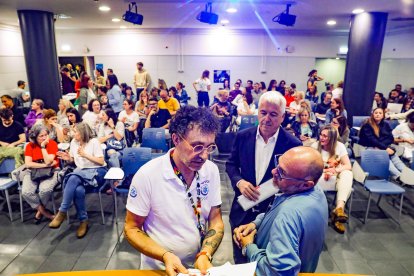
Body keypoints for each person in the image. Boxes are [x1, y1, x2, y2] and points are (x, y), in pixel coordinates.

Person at [124, 106, 223, 275]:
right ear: (176, 139)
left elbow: (215, 219)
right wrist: (165, 255)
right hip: (159, 268)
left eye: (209, 147)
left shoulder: (210, 170)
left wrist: (205, 253)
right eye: (197, 146)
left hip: (197, 268)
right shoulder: (148, 175)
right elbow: (131, 228)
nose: (204, 156)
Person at [226, 92, 302, 264]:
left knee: (266, 263)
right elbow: (230, 165)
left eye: (273, 114)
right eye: (263, 112)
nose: (267, 118)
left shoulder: (293, 144)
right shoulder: (243, 136)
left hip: (272, 214)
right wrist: (240, 182)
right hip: (242, 210)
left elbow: (295, 180)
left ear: (283, 117)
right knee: (240, 262)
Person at [233, 146, 327, 275]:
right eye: (278, 164)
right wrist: (256, 223)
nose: (273, 172)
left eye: (282, 173)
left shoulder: (288, 215)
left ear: (306, 184)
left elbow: (276, 272)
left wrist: (248, 246)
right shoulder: (315, 191)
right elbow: (279, 209)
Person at [49, 122, 107, 238]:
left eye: (75, 131)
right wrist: (69, 158)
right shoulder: (74, 143)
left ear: (82, 133)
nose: (72, 133)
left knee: (73, 176)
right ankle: (83, 221)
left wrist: (85, 155)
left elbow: (101, 161)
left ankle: (62, 211)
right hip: (81, 172)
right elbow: (74, 160)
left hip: (97, 171)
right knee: (78, 190)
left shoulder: (94, 142)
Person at [311, 125, 353, 234]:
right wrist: (325, 171)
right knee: (344, 177)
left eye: (326, 136)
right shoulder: (315, 146)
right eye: (321, 135)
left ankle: (339, 209)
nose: (322, 138)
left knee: (347, 173)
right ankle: (337, 214)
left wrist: (335, 170)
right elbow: (310, 167)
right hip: (319, 176)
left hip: (334, 176)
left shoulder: (340, 146)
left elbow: (348, 165)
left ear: (333, 138)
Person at [22, 125, 59, 222]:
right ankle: (45, 213)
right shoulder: (30, 146)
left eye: (46, 135)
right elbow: (28, 164)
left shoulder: (52, 144)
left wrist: (43, 147)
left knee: (45, 190)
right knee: (26, 192)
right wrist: (45, 165)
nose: (44, 138)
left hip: (51, 172)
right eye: (41, 136)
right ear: (34, 137)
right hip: (33, 172)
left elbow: (48, 161)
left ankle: (39, 212)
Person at [359, 108, 408, 180]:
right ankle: (399, 177)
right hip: (369, 147)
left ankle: (407, 174)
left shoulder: (386, 124)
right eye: (376, 113)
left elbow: (390, 138)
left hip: (382, 147)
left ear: (383, 115)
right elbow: (372, 140)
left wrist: (384, 148)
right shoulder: (367, 125)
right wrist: (385, 148)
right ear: (373, 114)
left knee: (395, 158)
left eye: (380, 113)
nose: (378, 114)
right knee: (384, 157)